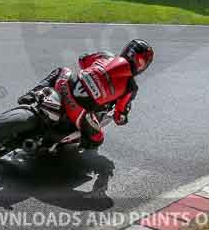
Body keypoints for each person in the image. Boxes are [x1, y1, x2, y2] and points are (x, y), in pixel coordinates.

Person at [18, 39, 154, 150]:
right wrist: (122, 118)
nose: (136, 64)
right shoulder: (131, 87)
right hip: (80, 111)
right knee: (97, 139)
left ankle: (31, 94)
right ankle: (52, 145)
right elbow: (119, 114)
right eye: (139, 62)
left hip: (65, 86)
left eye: (139, 62)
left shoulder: (106, 55)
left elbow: (82, 60)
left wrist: (94, 73)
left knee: (62, 70)